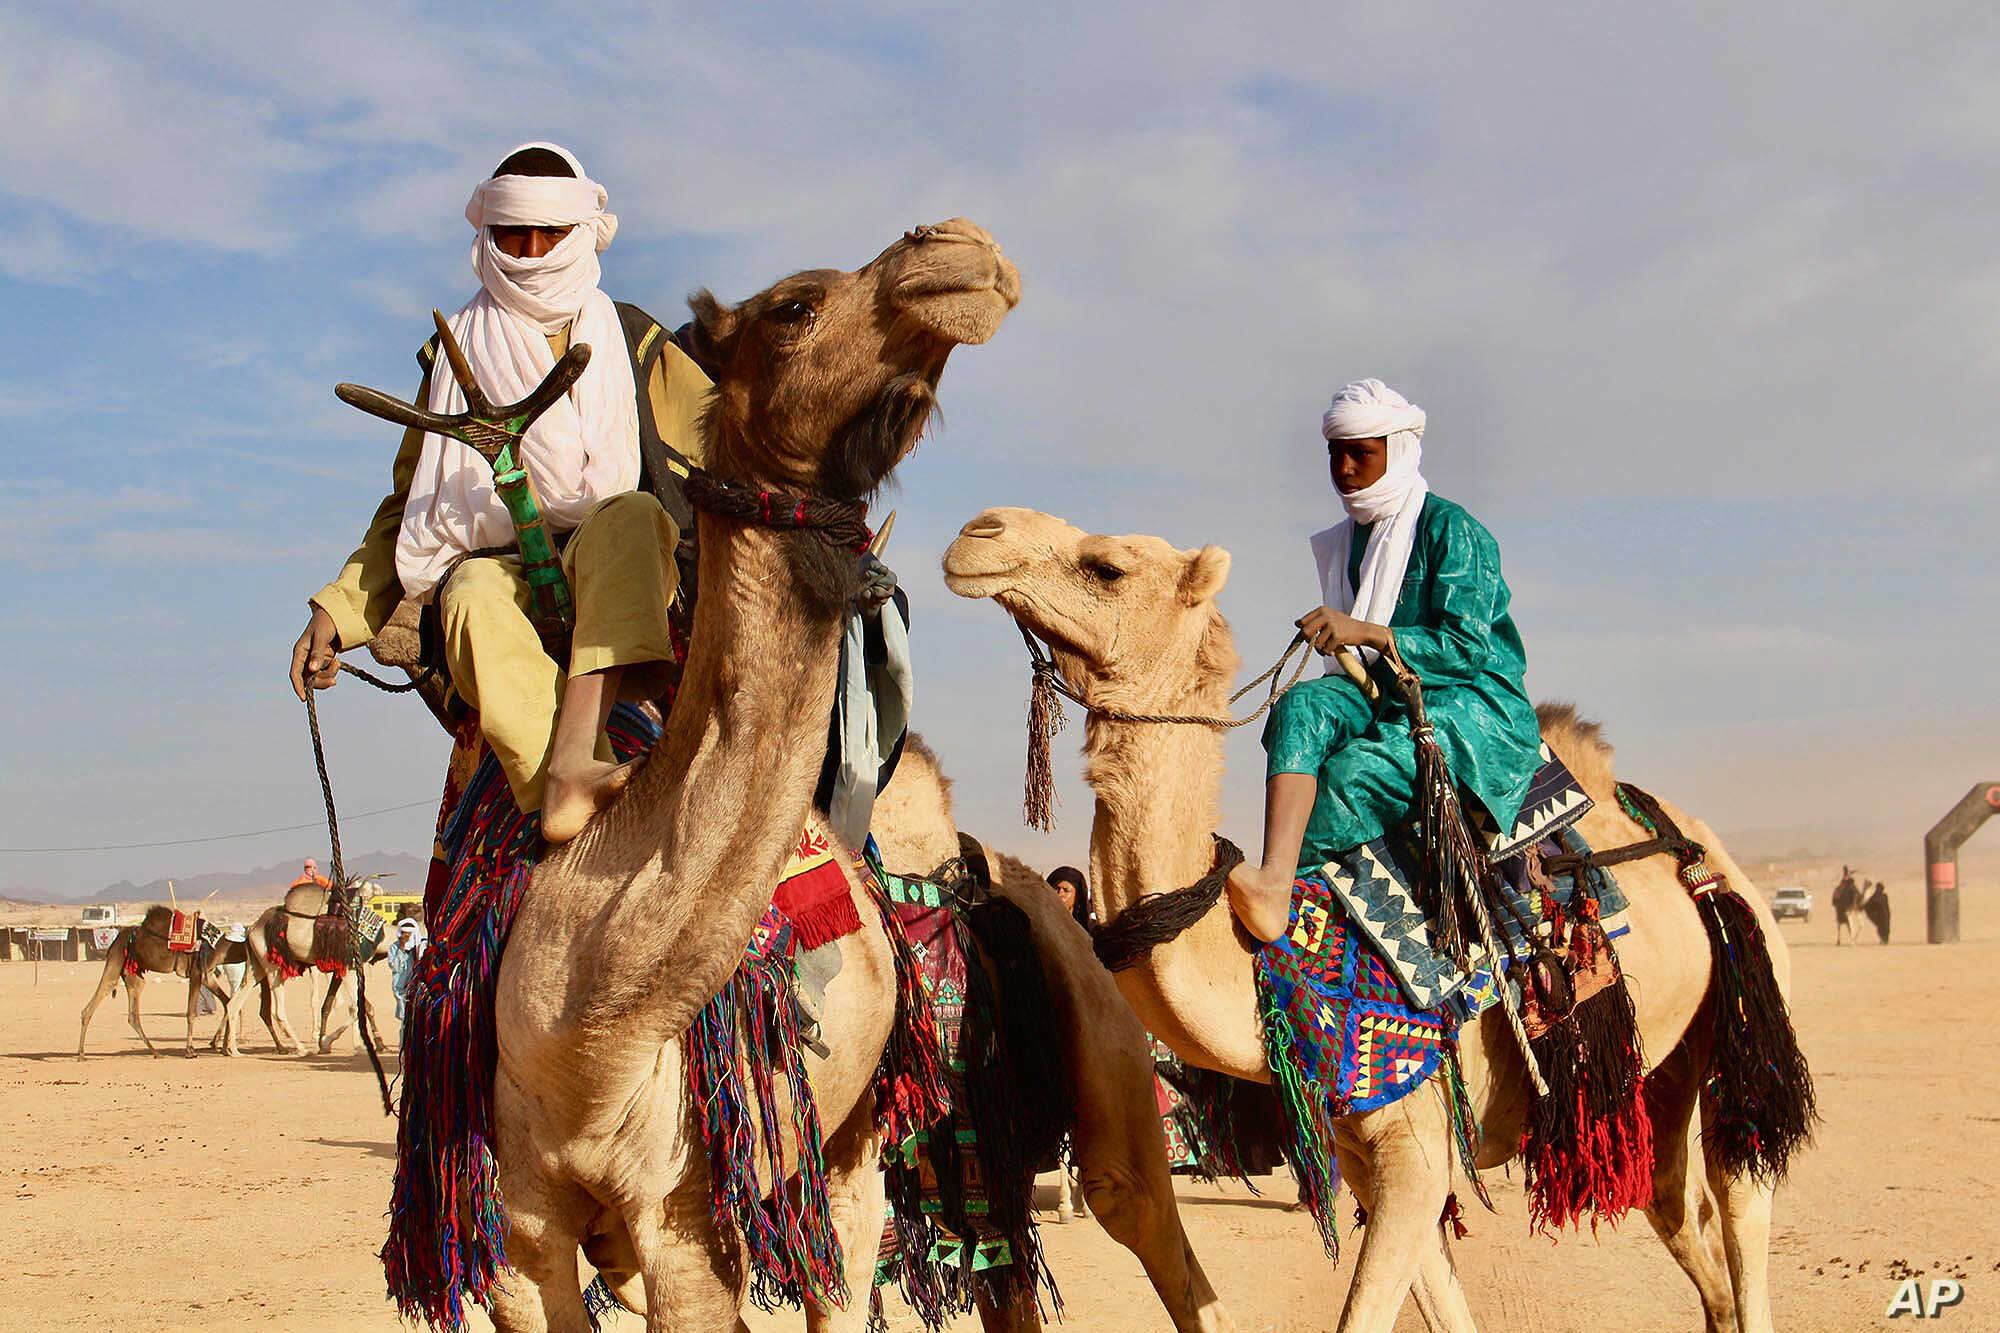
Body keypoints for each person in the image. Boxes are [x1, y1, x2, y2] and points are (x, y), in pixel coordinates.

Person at [289, 142, 712, 844]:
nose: (533, 251)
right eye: (515, 234)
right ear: (489, 235)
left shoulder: (633, 342)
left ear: (582, 233)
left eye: (551, 234)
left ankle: (582, 749)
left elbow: (723, 442)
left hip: (621, 584)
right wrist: (335, 612)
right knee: (470, 593)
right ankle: (561, 777)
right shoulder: (453, 354)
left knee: (631, 515)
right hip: (500, 582)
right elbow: (409, 507)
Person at [1226, 378, 1545, 942]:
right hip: (1384, 690)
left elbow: (1465, 649)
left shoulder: (1455, 531)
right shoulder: (1349, 540)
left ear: (1395, 453)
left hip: (1471, 707)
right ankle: (1275, 878)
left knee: (1354, 774)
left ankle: (1303, 905)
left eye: (1360, 453)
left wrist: (1366, 632)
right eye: (1335, 453)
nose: (1344, 468)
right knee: (1299, 707)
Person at [387, 918, 426, 1022]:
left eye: (409, 934)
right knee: (404, 1020)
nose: (407, 936)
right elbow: (394, 967)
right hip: (400, 988)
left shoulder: (421, 946)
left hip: (417, 987)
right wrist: (401, 949)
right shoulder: (394, 948)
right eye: (404, 933)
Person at [1045, 865, 1095, 934]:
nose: (1059, 894)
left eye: (1066, 890)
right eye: (1056, 889)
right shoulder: (1042, 929)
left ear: (1077, 895)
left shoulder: (1092, 931)